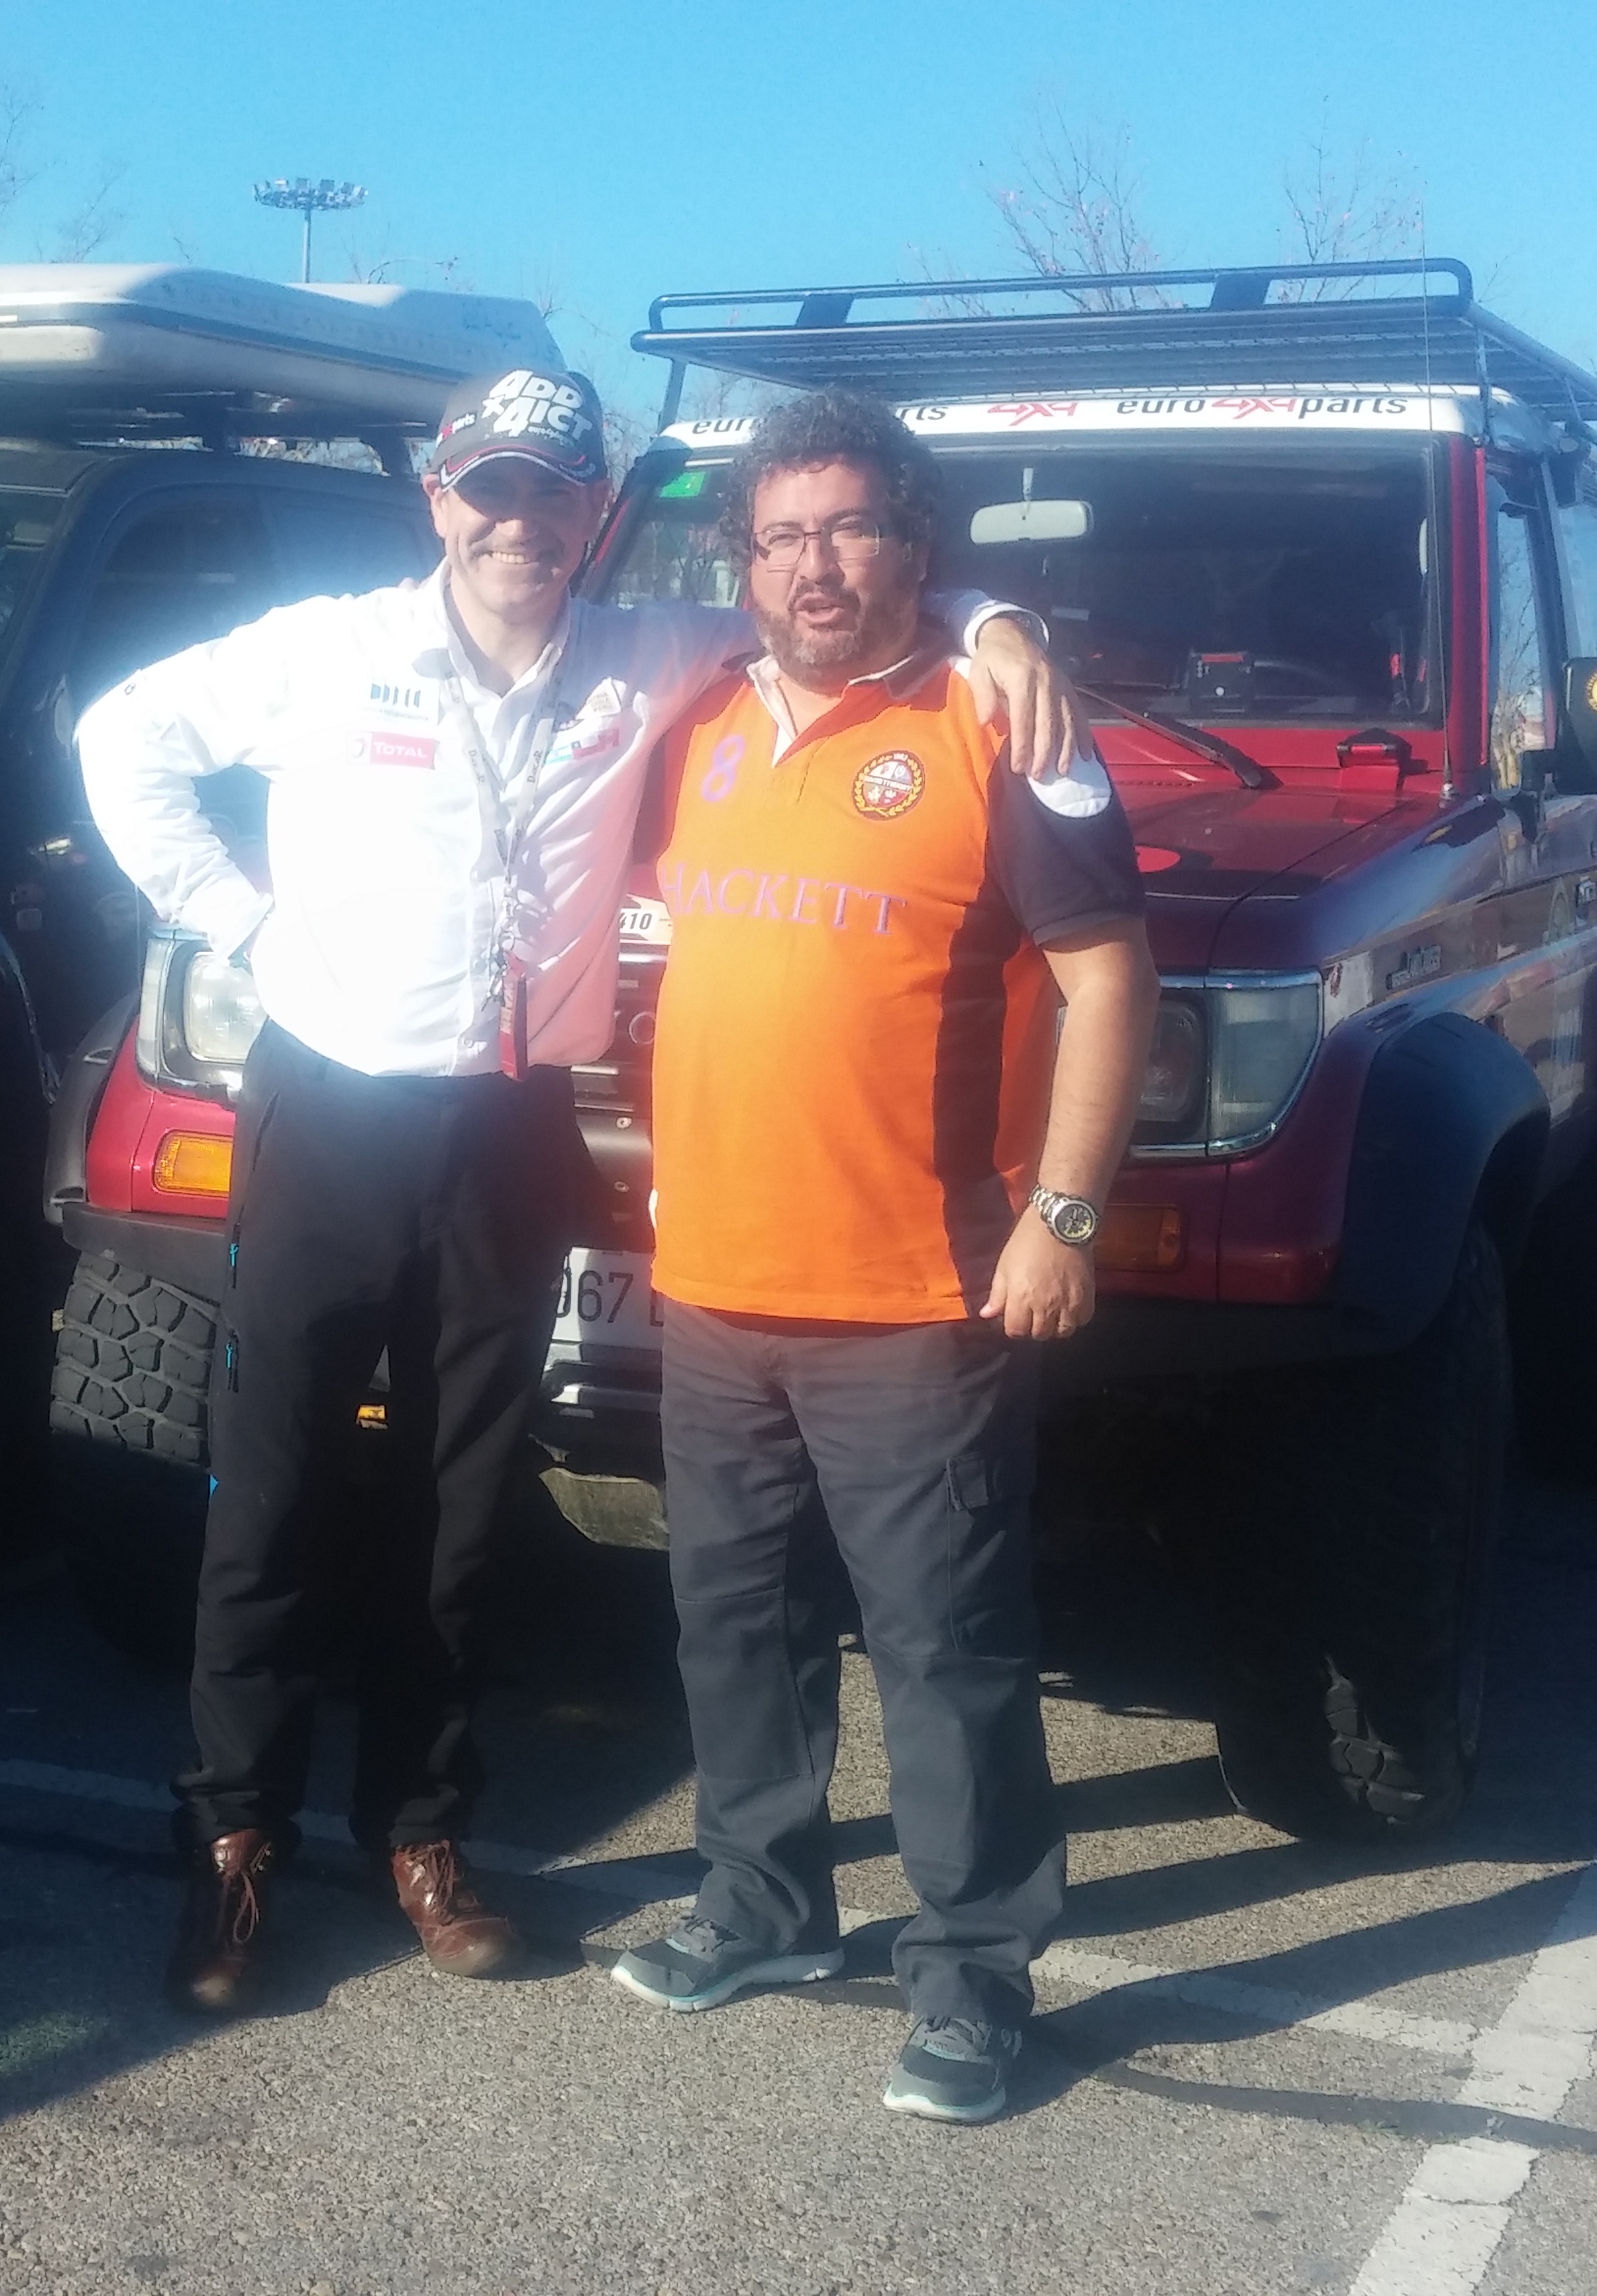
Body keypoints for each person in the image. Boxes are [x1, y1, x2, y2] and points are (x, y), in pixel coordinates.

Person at [79, 367, 1075, 2014]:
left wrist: (996, 618)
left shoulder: (650, 656)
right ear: (440, 501)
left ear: (591, 510)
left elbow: (838, 601)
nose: (518, 521)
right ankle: (231, 1838)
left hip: (507, 1132)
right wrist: (242, 920)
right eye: (489, 488)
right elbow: (122, 739)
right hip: (330, 1115)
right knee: (274, 1494)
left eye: (549, 491)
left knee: (463, 1504)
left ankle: (420, 1835)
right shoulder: (327, 651)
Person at [601, 389, 1158, 2125]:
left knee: (945, 1650)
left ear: (916, 541)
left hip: (920, 1293)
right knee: (732, 1624)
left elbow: (1111, 978)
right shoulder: (699, 716)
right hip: (715, 1284)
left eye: (849, 527)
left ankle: (975, 1972)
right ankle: (762, 1907)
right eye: (782, 536)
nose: (815, 565)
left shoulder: (1004, 719)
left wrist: (1066, 1214)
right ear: (743, 561)